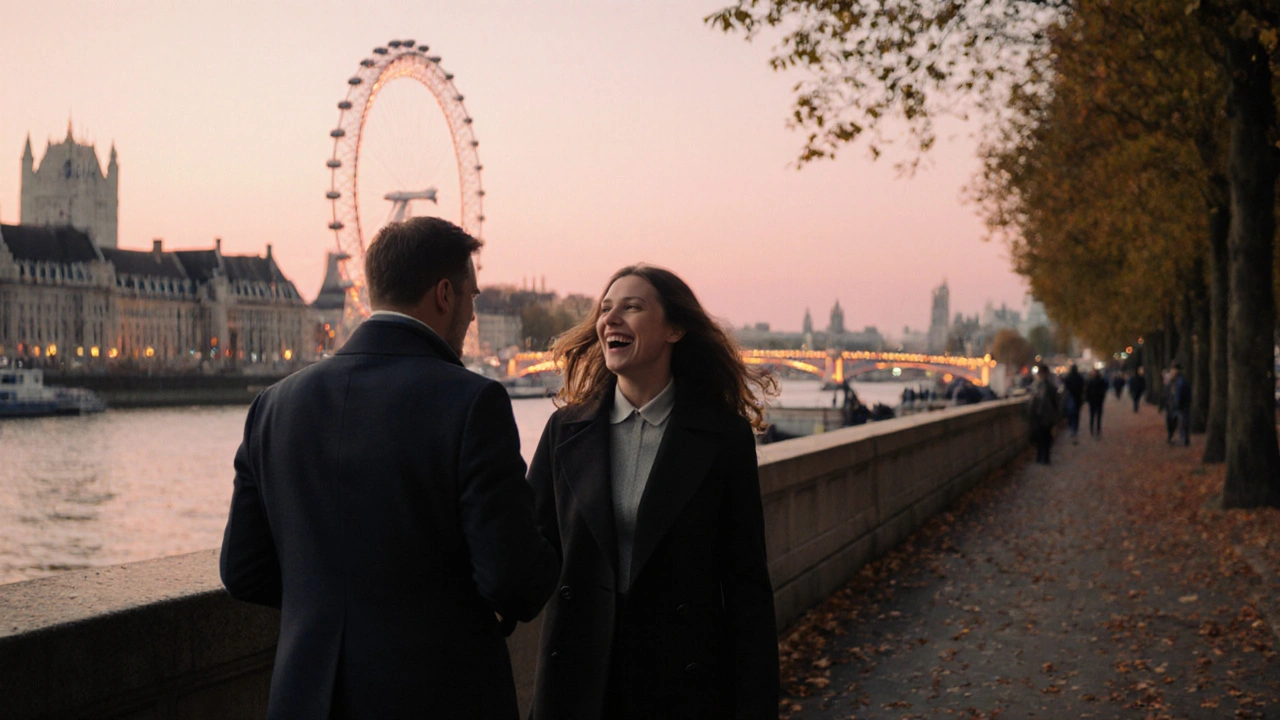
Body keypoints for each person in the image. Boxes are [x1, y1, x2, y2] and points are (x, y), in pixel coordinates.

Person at [219, 217, 560, 719]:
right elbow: (514, 579)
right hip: (437, 696)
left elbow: (242, 570)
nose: (472, 313)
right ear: (444, 294)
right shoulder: (472, 403)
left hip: (307, 695)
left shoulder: (273, 406)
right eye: (472, 296)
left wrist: (330, 607)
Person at [528, 265, 780, 720]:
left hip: (682, 682)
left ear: (675, 329)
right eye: (605, 309)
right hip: (580, 677)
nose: (611, 319)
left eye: (632, 307)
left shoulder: (722, 437)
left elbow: (747, 586)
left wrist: (757, 705)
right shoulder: (565, 431)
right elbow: (529, 549)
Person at [1029, 364, 1060, 464]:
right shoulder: (1051, 387)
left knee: (1041, 436)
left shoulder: (1037, 386)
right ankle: (1045, 456)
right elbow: (1056, 403)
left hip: (1041, 416)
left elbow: (1033, 402)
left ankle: (1040, 456)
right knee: (1046, 437)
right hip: (1047, 417)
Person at [1166, 362, 1192, 446]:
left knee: (1182, 423)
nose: (1171, 372)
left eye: (1173, 370)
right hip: (1175, 406)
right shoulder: (1173, 382)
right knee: (1174, 423)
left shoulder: (1181, 382)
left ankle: (1184, 439)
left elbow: (1180, 394)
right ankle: (1176, 438)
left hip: (1181, 406)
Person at [1062, 364, 1084, 444]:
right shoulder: (1080, 378)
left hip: (1071, 398)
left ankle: (1072, 428)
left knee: (1070, 414)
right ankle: (1075, 429)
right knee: (1076, 415)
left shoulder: (1068, 378)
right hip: (1077, 399)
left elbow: (1065, 386)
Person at [1085, 368, 1109, 438]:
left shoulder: (1091, 381)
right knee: (1098, 415)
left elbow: (1087, 391)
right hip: (1098, 400)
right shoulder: (1101, 380)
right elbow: (1105, 387)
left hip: (1093, 400)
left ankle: (1092, 429)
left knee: (1092, 415)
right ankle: (1097, 428)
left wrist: (1088, 399)